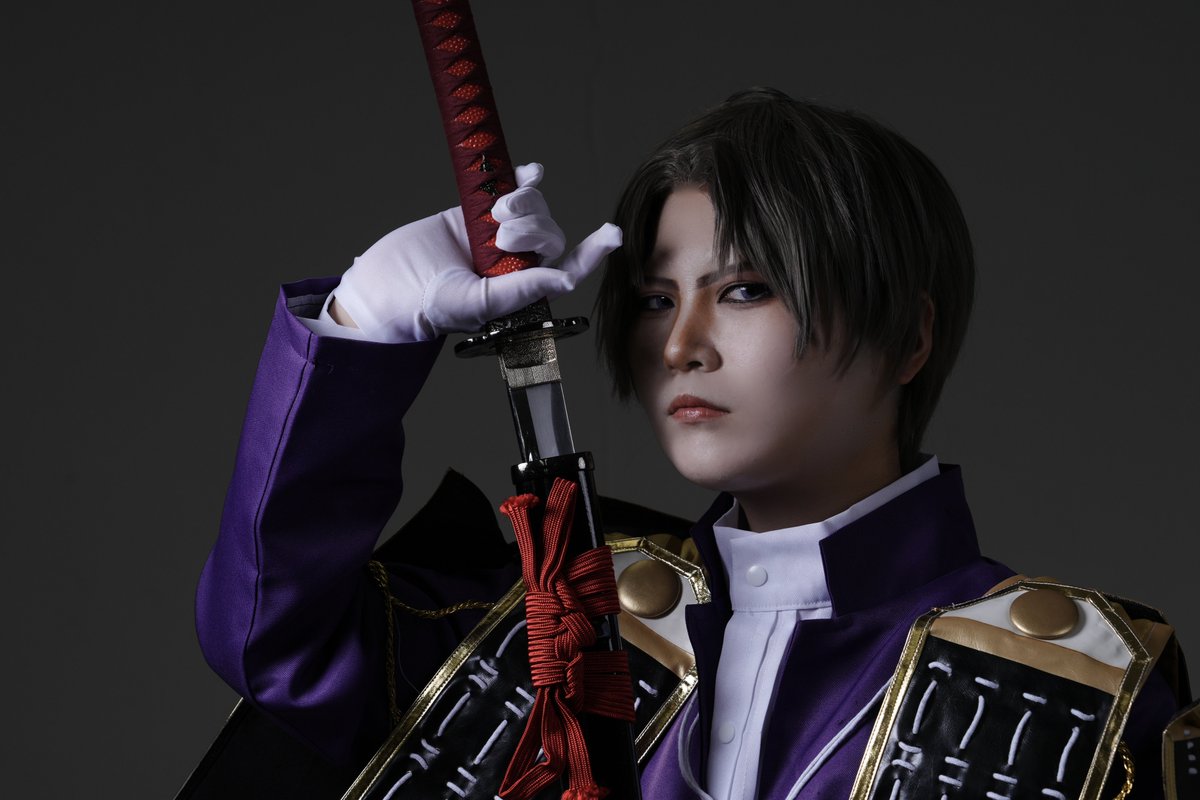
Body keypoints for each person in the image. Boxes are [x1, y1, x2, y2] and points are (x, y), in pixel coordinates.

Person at [196, 88, 1183, 798]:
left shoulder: (1083, 689)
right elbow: (273, 638)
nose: (680, 345)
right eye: (657, 299)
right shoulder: (563, 627)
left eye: (745, 289)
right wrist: (363, 325)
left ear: (907, 337)